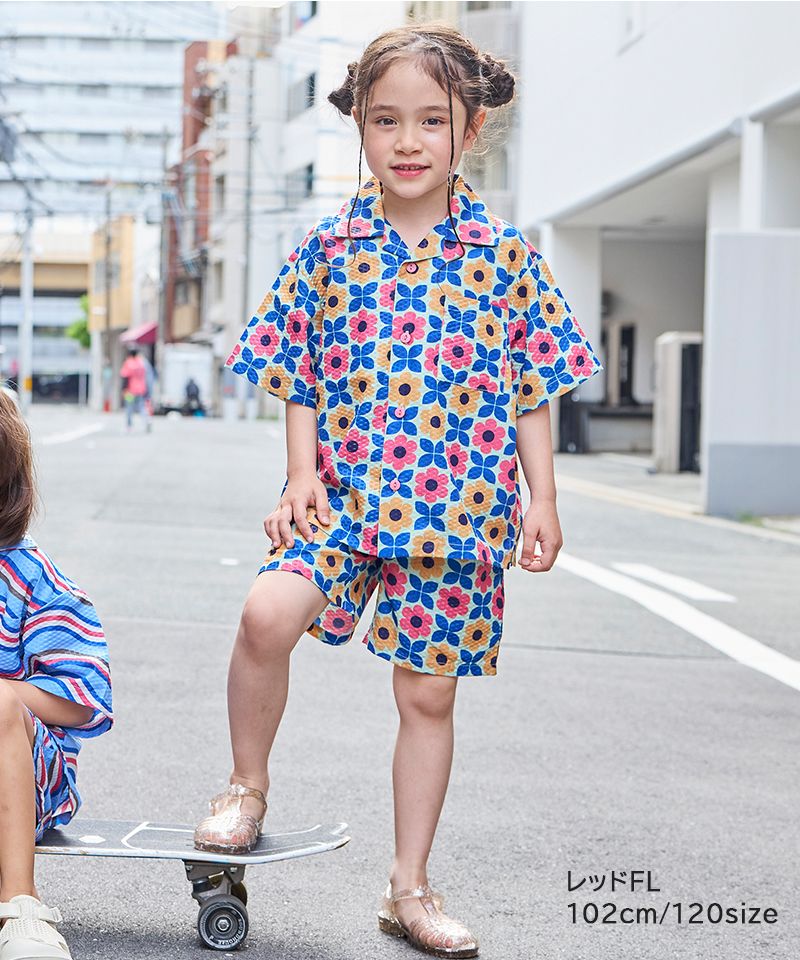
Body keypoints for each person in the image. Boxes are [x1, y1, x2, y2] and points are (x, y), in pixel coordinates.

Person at [196, 22, 603, 959]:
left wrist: (543, 499)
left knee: (427, 699)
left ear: (470, 130)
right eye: (386, 121)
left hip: (460, 514)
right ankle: (246, 788)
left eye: (431, 120)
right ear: (361, 129)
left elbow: (533, 387)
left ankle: (408, 887)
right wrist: (301, 473)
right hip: (339, 500)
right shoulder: (330, 247)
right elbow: (297, 369)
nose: (408, 141)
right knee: (265, 616)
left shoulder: (506, 255)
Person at [0, 391, 113, 960]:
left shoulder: (31, 575)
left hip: (29, 775)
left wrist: (6, 694)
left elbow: (82, 699)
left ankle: (20, 904)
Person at [119, 347, 150, 433]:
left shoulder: (128, 363)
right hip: (140, 389)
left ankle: (129, 426)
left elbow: (125, 377)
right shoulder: (141, 363)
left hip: (130, 391)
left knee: (129, 407)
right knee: (141, 406)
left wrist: (123, 389)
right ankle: (146, 420)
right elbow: (145, 376)